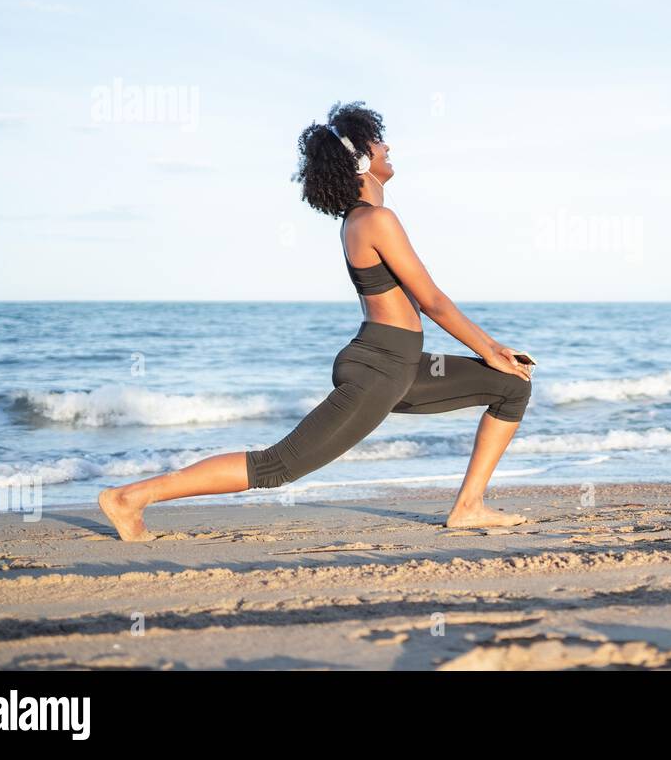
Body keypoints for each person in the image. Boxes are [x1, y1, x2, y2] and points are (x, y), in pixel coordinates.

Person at [99, 101, 533, 541]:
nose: (387, 146)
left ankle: (469, 506)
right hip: (380, 369)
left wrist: (496, 356)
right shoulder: (375, 220)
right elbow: (433, 301)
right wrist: (490, 349)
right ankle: (131, 497)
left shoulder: (363, 220)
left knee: (513, 386)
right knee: (277, 466)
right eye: (376, 141)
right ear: (360, 158)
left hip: (399, 367)